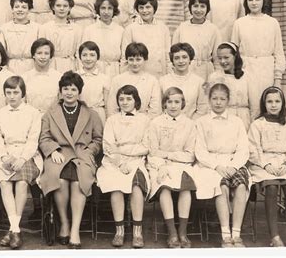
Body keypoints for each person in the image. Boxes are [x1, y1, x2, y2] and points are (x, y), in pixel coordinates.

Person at [39, 71, 103, 249]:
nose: (69, 92)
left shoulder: (91, 114)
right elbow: (44, 138)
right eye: (65, 88)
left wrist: (89, 151)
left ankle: (75, 229)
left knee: (78, 180)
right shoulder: (50, 113)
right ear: (60, 91)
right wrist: (52, 150)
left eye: (73, 89)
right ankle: (64, 223)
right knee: (58, 178)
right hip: (59, 153)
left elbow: (98, 140)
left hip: (82, 154)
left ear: (79, 92)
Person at [194, 83, 250, 248]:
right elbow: (200, 150)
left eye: (222, 99)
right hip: (210, 165)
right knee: (222, 187)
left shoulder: (237, 122)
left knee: (240, 186)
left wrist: (234, 166)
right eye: (214, 98)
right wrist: (217, 166)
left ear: (228, 100)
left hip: (233, 162)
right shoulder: (202, 122)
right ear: (209, 100)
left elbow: (243, 148)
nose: (218, 102)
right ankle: (226, 235)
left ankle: (236, 234)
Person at [96, 85, 150, 248]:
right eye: (121, 99)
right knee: (116, 187)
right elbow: (108, 146)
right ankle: (119, 230)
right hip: (114, 162)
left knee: (136, 187)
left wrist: (123, 149)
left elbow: (146, 146)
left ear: (136, 101)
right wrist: (120, 161)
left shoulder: (145, 120)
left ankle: (137, 231)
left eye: (129, 98)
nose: (125, 102)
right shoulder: (112, 120)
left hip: (136, 161)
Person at [0, 76, 43, 249]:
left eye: (16, 92)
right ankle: (15, 230)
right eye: (9, 93)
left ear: (23, 94)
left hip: (27, 156)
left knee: (21, 183)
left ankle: (13, 229)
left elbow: (33, 140)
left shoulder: (33, 113)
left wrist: (22, 158)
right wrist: (4, 157)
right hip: (6, 155)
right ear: (4, 94)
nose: (12, 96)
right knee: (5, 183)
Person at [248, 86, 286, 247]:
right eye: (269, 101)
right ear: (264, 104)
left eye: (277, 101)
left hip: (284, 163)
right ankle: (275, 236)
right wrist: (266, 164)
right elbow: (253, 150)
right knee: (271, 188)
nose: (273, 105)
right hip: (264, 164)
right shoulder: (257, 124)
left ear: (282, 103)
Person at [146, 87, 198, 248]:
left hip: (182, 165)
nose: (173, 106)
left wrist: (169, 155)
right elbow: (153, 151)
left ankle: (182, 232)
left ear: (183, 104)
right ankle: (172, 232)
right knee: (165, 187)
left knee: (185, 188)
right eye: (169, 102)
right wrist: (161, 164)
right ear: (164, 104)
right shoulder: (156, 123)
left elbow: (190, 154)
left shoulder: (189, 124)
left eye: (177, 102)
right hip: (159, 165)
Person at [231, 0, 286, 120]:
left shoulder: (272, 23)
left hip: (266, 69)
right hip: (246, 68)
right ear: (246, 2)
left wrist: (277, 79)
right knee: (247, 107)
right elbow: (234, 51)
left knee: (266, 104)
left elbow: (278, 51)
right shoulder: (239, 23)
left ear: (263, 1)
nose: (254, 2)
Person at [172, 0, 221, 80]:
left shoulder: (213, 29)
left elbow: (217, 58)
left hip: (207, 72)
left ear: (207, 8)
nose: (198, 10)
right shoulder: (182, 28)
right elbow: (173, 53)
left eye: (202, 6)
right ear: (190, 8)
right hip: (186, 70)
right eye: (195, 6)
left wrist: (218, 76)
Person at [121, 0, 171, 78]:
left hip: (158, 74)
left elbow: (168, 57)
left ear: (154, 8)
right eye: (141, 7)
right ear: (137, 9)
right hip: (137, 75)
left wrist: (169, 77)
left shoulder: (163, 28)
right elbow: (124, 58)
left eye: (148, 7)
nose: (144, 11)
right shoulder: (130, 29)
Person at [107, 42, 162, 119]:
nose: (134, 63)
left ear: (145, 59)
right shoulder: (117, 80)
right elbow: (112, 108)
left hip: (144, 122)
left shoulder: (152, 81)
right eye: (131, 60)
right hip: (121, 121)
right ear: (127, 60)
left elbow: (155, 110)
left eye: (138, 59)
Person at [207, 42, 250, 130]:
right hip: (221, 118)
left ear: (235, 56)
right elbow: (207, 102)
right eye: (220, 58)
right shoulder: (214, 77)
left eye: (226, 57)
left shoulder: (247, 76)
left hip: (243, 119)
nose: (223, 61)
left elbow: (255, 106)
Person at [159, 43, 208, 119]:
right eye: (177, 58)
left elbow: (202, 109)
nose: (181, 61)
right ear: (172, 61)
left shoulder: (199, 82)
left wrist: (189, 125)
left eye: (184, 57)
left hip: (191, 125)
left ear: (190, 59)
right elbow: (159, 108)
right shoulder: (162, 81)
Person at [81, 0, 124, 78]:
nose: (106, 12)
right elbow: (83, 53)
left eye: (110, 8)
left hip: (115, 71)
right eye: (103, 8)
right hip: (95, 70)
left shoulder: (120, 30)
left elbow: (123, 57)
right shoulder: (89, 30)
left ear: (114, 10)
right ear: (98, 9)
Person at [39, 0, 82, 73]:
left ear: (70, 7)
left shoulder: (77, 29)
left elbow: (78, 53)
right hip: (50, 66)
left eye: (65, 6)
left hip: (70, 66)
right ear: (52, 7)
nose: (61, 9)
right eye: (58, 5)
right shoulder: (45, 28)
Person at [1, 0, 40, 75]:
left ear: (29, 10)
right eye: (17, 7)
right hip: (10, 68)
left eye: (24, 7)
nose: (20, 10)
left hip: (31, 67)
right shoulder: (4, 28)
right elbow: (1, 51)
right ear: (12, 9)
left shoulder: (37, 28)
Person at [22, 38, 62, 114]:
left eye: (46, 53)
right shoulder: (25, 77)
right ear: (33, 55)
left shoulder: (59, 77)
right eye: (39, 53)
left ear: (51, 56)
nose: (43, 57)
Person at [76, 41, 111, 124]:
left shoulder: (104, 78)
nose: (88, 59)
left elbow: (107, 104)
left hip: (98, 114)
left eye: (92, 55)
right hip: (80, 113)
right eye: (84, 55)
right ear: (80, 57)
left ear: (97, 57)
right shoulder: (75, 76)